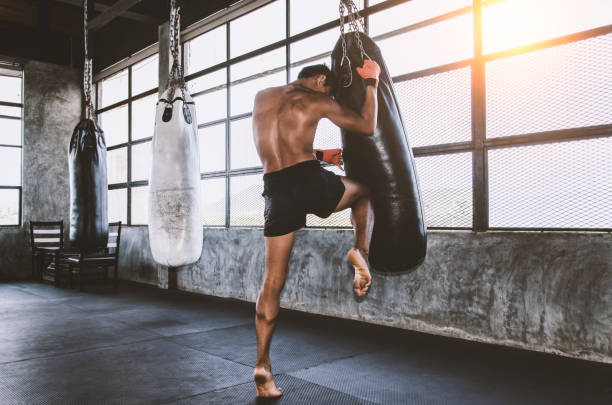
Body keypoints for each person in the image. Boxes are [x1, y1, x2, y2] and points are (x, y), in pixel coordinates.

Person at [251, 61, 381, 397]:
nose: (331, 96)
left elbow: (281, 145)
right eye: (331, 89)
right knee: (364, 192)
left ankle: (263, 367)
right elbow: (367, 126)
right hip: (308, 182)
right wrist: (371, 82)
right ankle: (360, 251)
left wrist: (321, 155)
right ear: (320, 80)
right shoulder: (317, 100)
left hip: (275, 189)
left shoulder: (262, 97)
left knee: (272, 282)